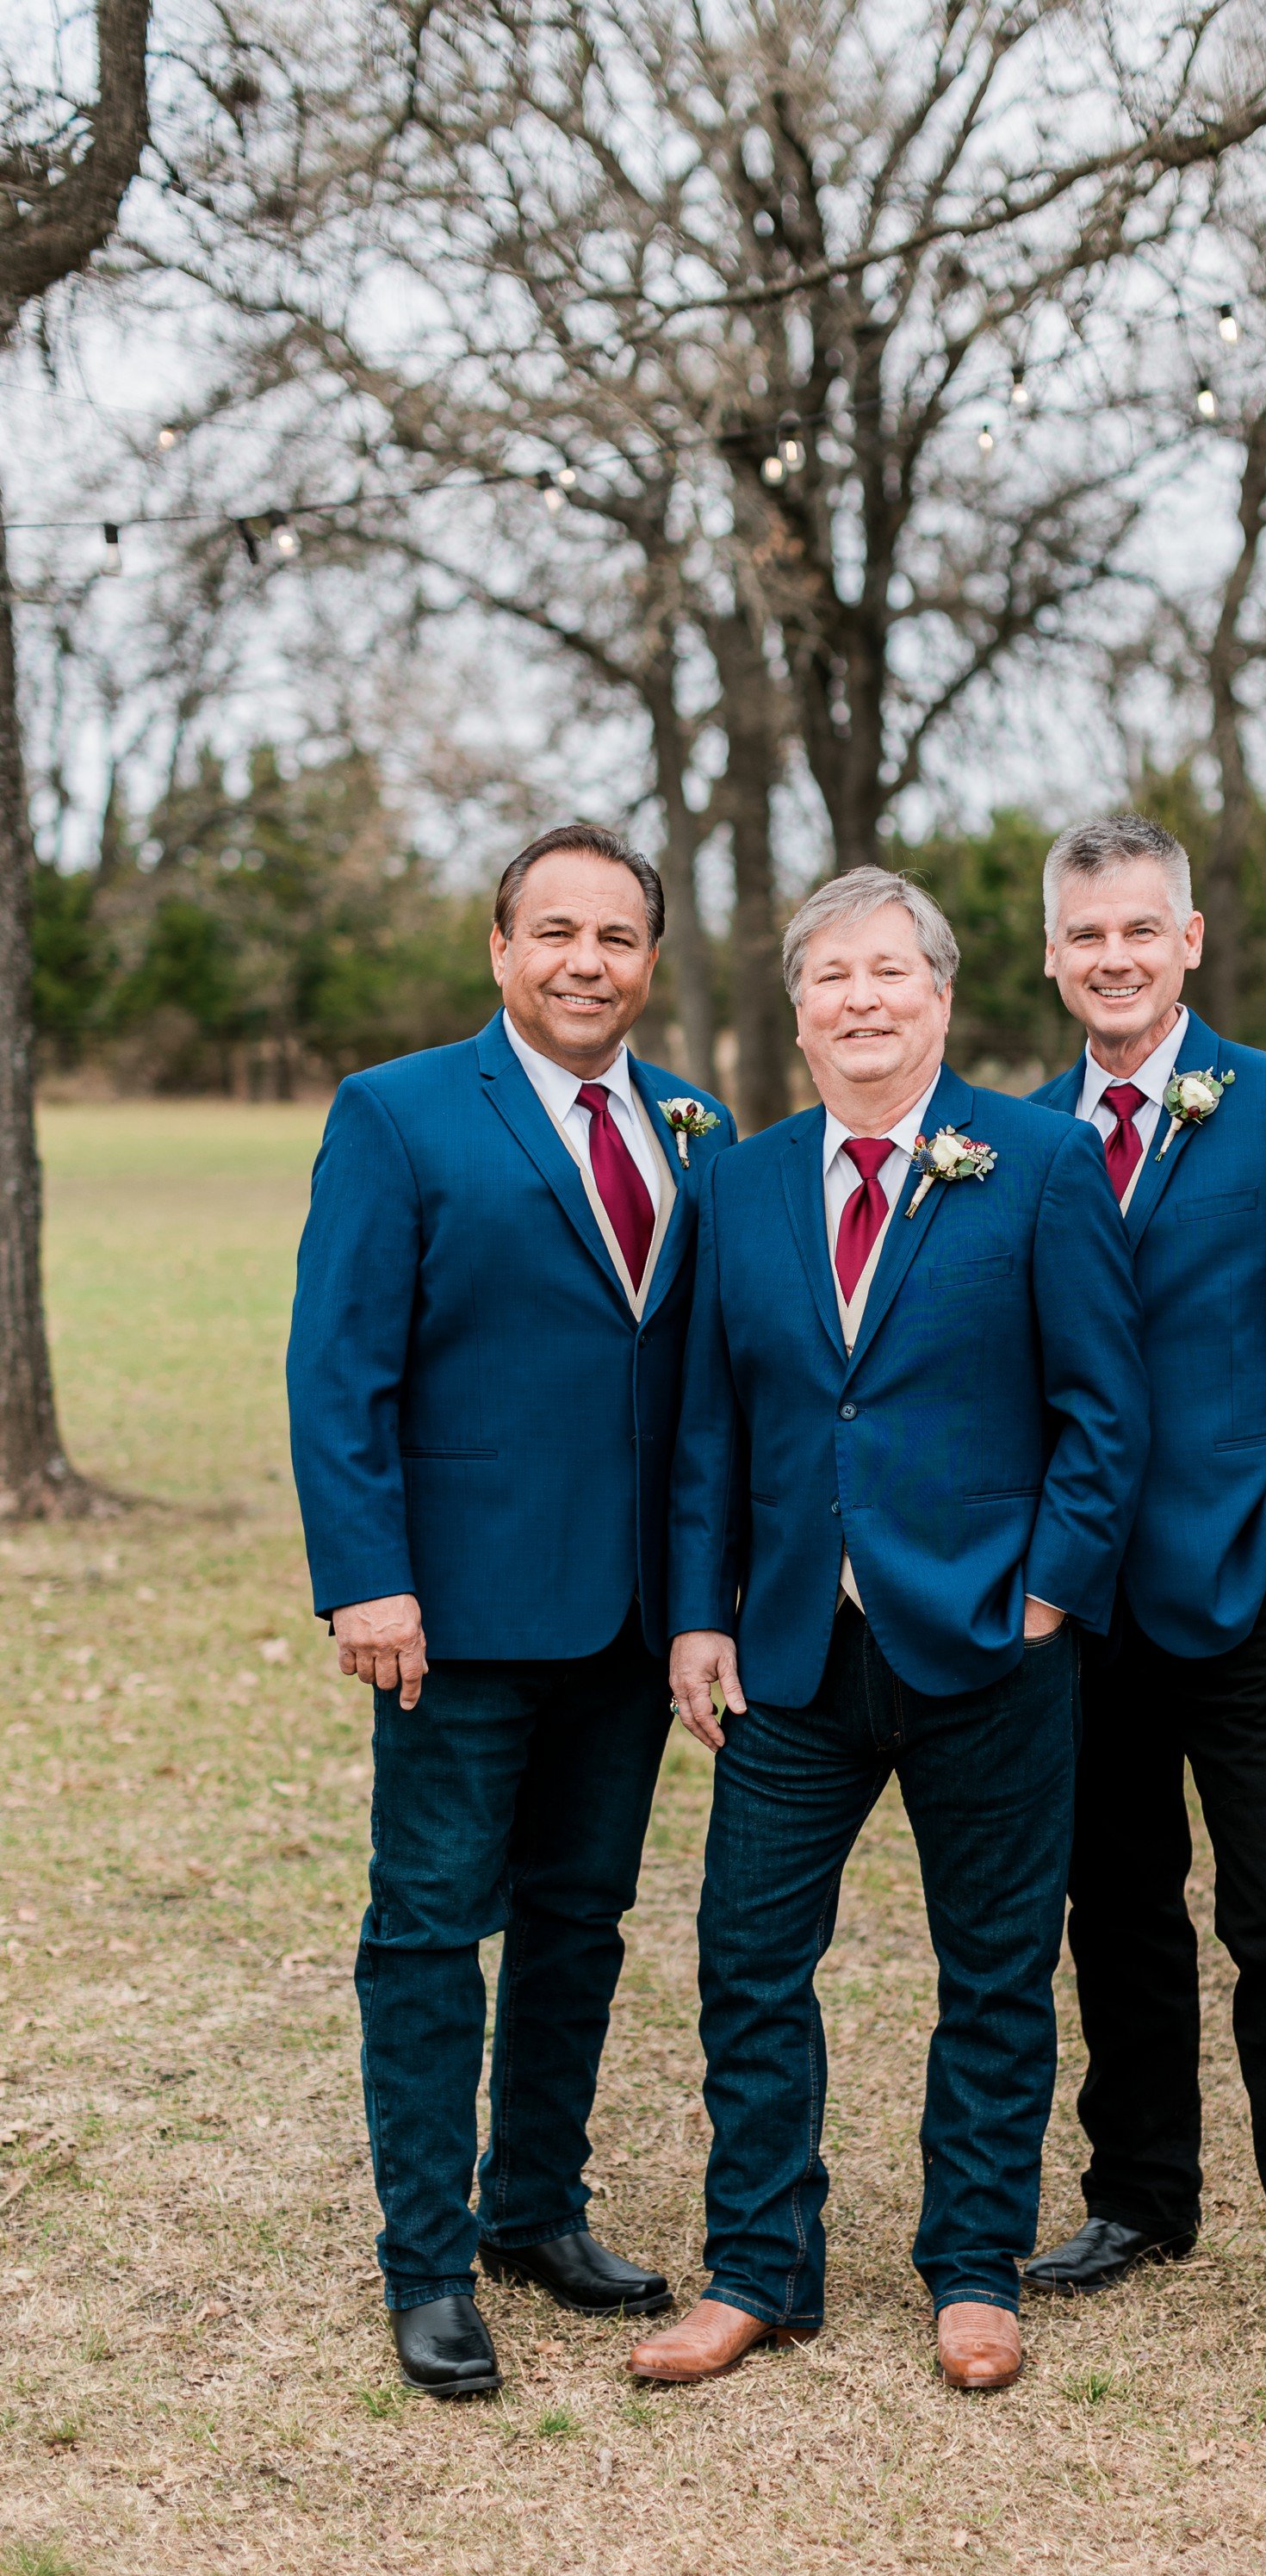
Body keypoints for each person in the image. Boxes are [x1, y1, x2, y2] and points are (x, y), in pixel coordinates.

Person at [626, 867, 1149, 2394]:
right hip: (789, 1647)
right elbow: (711, 1423)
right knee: (746, 1956)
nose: (861, 999)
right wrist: (697, 1620)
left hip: (992, 1640)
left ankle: (974, 2266)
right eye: (831, 976)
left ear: (939, 994)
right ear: (799, 1008)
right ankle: (758, 2270)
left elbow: (1104, 1411)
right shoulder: (742, 1182)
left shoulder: (1044, 1167)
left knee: (993, 1964)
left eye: (889, 973)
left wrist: (1047, 1591)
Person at [285, 822, 735, 2398]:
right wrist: (367, 1575)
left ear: (651, 964)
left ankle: (533, 2209)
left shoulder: (697, 1121)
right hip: (453, 1615)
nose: (584, 963)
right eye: (555, 932)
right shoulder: (398, 1113)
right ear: (500, 948)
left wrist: (701, 1598)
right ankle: (425, 2263)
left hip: (627, 1623)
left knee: (578, 1922)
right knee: (426, 1931)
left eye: (615, 938)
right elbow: (338, 1366)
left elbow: (698, 1388)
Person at [1024, 813, 1266, 2386]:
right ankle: (1139, 2194)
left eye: (1141, 930)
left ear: (1188, 942)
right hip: (1080, 1608)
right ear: (1053, 956)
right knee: (1111, 1914)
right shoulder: (1024, 1135)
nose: (1113, 958)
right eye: (1085, 935)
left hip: (1243, 1597)